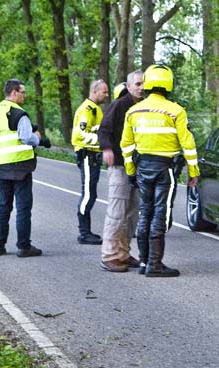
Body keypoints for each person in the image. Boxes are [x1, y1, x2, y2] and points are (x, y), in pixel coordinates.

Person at [120, 64, 199, 277]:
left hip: (142, 168)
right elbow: (188, 144)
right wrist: (194, 171)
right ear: (168, 83)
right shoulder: (176, 111)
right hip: (165, 169)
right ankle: (155, 265)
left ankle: (145, 262)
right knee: (160, 214)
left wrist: (130, 170)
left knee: (145, 212)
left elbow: (126, 145)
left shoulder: (133, 111)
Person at [0, 79, 50, 258]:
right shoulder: (18, 113)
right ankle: (24, 246)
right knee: (23, 207)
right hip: (20, 166)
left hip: (1, 165)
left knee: (3, 206)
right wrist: (38, 137)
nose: (25, 95)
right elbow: (26, 138)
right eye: (23, 92)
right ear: (14, 92)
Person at [98, 71, 145, 272]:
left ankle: (123, 253)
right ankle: (109, 255)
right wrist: (107, 148)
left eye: (144, 84)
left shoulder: (144, 107)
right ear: (128, 85)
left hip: (137, 167)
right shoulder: (120, 105)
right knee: (117, 212)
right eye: (138, 84)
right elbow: (104, 129)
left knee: (131, 213)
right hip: (119, 164)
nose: (141, 87)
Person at [72, 79, 110, 244]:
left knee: (91, 193)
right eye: (104, 92)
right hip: (88, 155)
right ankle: (83, 232)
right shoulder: (87, 110)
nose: (107, 95)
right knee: (88, 194)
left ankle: (86, 231)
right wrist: (102, 141)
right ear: (94, 92)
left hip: (94, 156)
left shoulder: (96, 109)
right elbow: (80, 134)